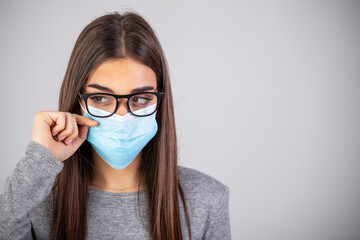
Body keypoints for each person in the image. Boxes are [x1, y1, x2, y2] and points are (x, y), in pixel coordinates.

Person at [0, 11, 231, 240]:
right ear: (78, 102)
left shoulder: (208, 199)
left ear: (160, 102)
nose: (122, 117)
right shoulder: (32, 201)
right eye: (100, 98)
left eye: (140, 98)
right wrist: (39, 160)